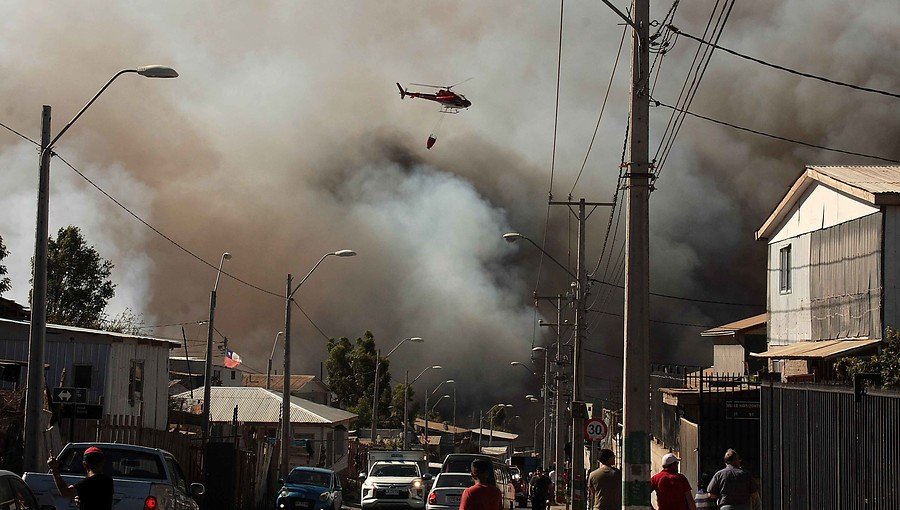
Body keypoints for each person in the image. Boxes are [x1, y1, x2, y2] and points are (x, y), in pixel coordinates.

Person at [48, 445, 114, 510]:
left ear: (84, 464)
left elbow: (65, 492)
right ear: (102, 463)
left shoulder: (87, 483)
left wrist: (54, 469)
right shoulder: (108, 480)